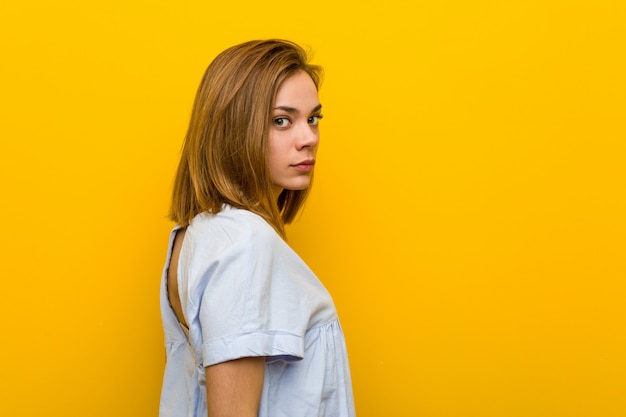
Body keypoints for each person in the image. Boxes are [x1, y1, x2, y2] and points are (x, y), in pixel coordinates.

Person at [159, 39, 356, 417]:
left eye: (313, 118)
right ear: (234, 129)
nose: (309, 138)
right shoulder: (242, 242)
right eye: (282, 120)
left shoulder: (197, 234)